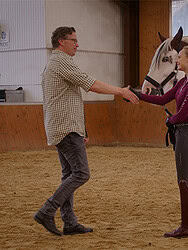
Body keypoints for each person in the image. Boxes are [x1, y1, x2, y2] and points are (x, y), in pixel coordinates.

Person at [33, 26, 139, 236]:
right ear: (61, 42)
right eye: (74, 40)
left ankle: (69, 222)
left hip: (63, 127)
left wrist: (83, 128)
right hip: (66, 128)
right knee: (81, 173)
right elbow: (90, 84)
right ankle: (47, 210)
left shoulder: (54, 64)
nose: (77, 44)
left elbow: (68, 98)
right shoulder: (61, 63)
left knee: (69, 175)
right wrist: (121, 91)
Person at [129, 46, 188, 238]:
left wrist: (169, 121)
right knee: (187, 179)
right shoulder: (183, 83)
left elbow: (182, 115)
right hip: (183, 133)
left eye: (179, 57)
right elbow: (163, 98)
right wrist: (139, 94)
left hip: (187, 133)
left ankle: (186, 227)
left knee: (183, 182)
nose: (177, 60)